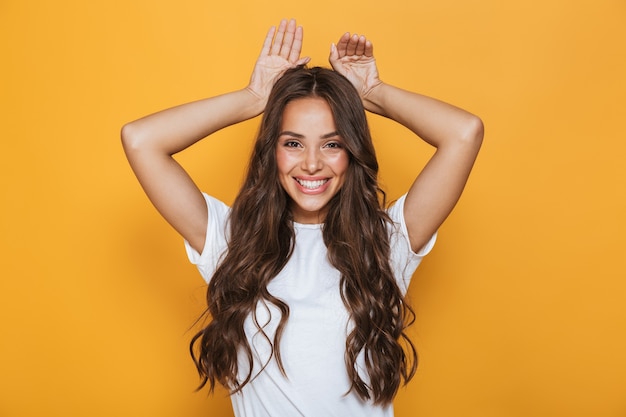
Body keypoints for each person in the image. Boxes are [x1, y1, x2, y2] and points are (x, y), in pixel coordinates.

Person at [121, 18, 483, 417]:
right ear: (270, 152)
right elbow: (141, 140)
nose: (312, 164)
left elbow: (463, 133)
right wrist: (254, 97)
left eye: (332, 144)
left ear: (352, 154)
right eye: (293, 143)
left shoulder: (386, 241)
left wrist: (372, 93)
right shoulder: (231, 242)